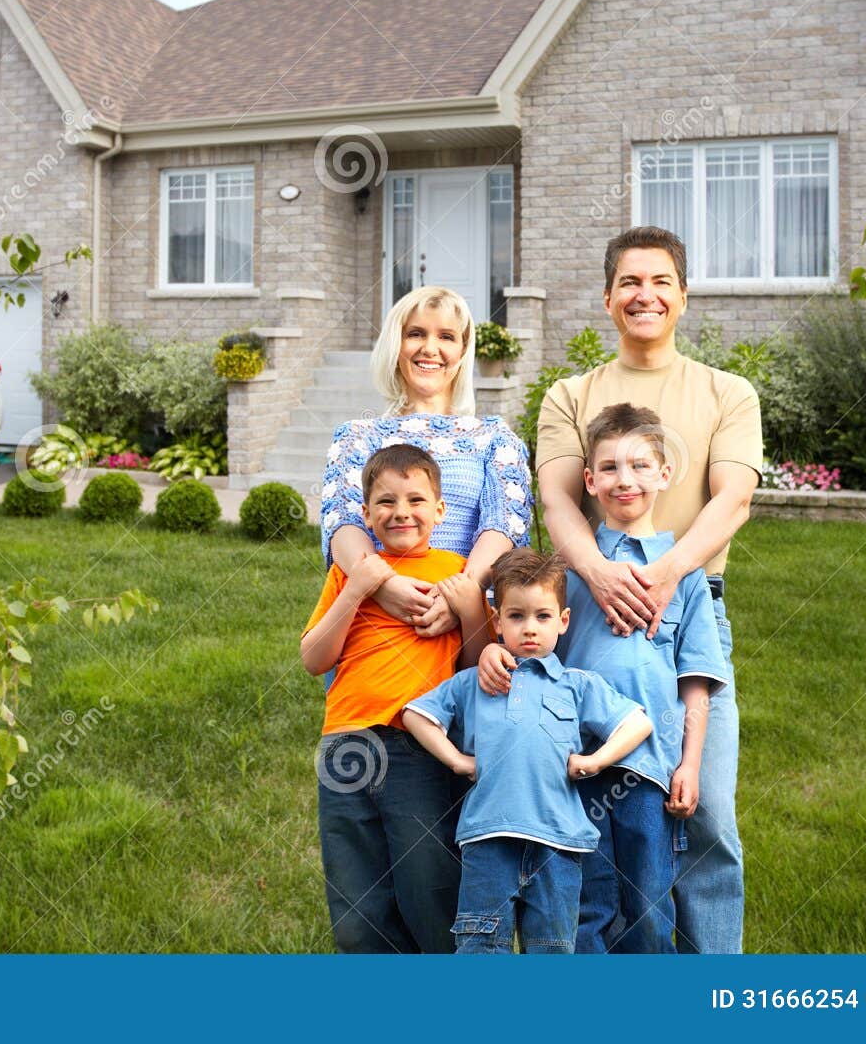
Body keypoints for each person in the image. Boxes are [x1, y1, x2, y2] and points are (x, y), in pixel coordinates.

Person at [506, 226, 762, 953]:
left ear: (682, 295)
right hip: (590, 616)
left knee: (704, 810)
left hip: (685, 611)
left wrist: (667, 571)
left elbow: (732, 498)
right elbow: (556, 500)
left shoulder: (726, 392)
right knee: (588, 811)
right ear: (608, 297)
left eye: (660, 281)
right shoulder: (570, 393)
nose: (644, 294)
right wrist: (597, 572)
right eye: (629, 282)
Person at [485, 402, 728, 952]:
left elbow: (695, 679)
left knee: (647, 904)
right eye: (611, 468)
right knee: (586, 905)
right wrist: (487, 654)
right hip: (574, 769)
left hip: (650, 771)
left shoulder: (682, 574)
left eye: (641, 466)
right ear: (589, 480)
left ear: (665, 474)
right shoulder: (566, 575)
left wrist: (689, 764)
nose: (626, 480)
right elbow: (521, 638)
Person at [402, 548, 650, 954]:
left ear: (563, 621)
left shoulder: (576, 685)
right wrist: (457, 760)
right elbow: (416, 715)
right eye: (516, 616)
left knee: (551, 950)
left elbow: (637, 723)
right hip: (488, 839)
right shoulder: (476, 682)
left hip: (557, 845)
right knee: (480, 949)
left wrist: (594, 761)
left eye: (543, 616)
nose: (530, 628)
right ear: (497, 621)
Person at [301, 443, 491, 952]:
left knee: (428, 884)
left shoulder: (455, 571)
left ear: (440, 510)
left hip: (419, 747)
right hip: (346, 742)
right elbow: (314, 658)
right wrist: (356, 590)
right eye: (385, 502)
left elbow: (479, 672)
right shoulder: (353, 574)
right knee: (357, 894)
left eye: (415, 500)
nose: (401, 512)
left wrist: (471, 611)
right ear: (365, 514)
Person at [321, 285, 531, 661]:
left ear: (463, 351)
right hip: (376, 628)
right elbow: (344, 523)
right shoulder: (357, 438)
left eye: (446, 336)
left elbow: (502, 527)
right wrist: (385, 586)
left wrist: (458, 598)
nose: (429, 348)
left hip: (467, 632)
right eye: (415, 333)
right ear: (395, 344)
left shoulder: (494, 439)